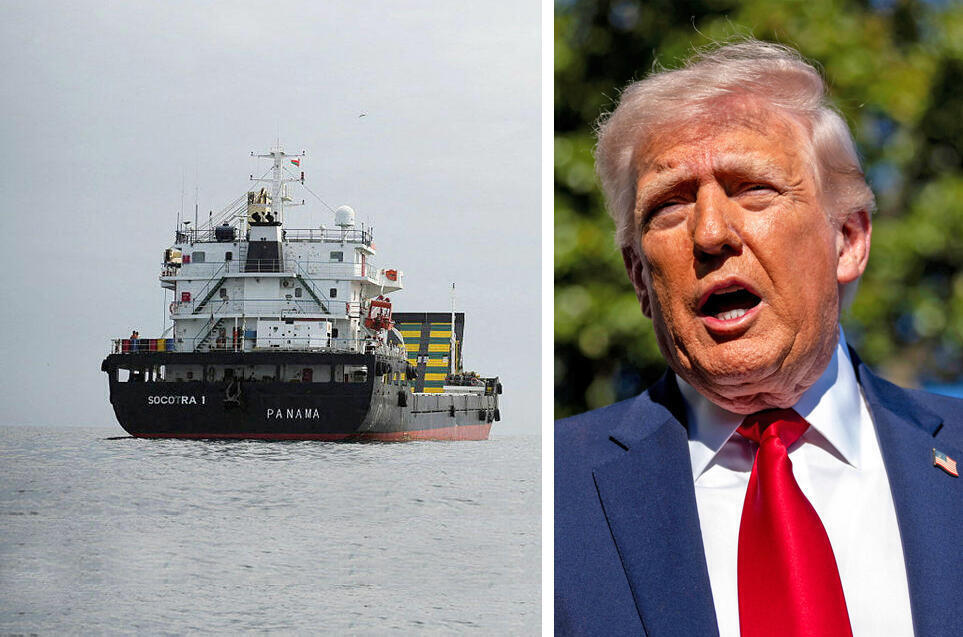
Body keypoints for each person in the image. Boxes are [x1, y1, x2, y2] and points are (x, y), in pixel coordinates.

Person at [555, 40, 962, 637]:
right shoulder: (557, 493)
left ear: (848, 238)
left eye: (754, 188)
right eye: (669, 206)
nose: (711, 232)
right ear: (640, 278)